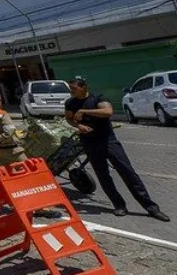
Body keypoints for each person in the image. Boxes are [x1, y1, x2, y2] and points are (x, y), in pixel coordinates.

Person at [65, 77, 169, 221]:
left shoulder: (98, 98)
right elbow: (69, 118)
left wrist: (84, 110)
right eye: (70, 89)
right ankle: (119, 205)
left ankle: (151, 207)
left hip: (107, 140)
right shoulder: (70, 102)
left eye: (74, 89)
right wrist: (78, 126)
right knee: (103, 175)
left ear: (84, 87)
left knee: (127, 171)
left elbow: (108, 112)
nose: (72, 92)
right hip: (90, 142)